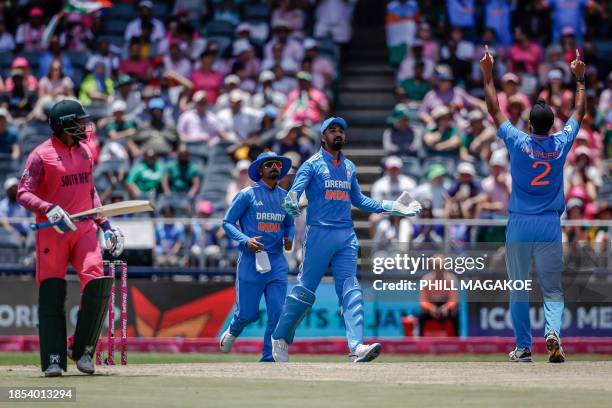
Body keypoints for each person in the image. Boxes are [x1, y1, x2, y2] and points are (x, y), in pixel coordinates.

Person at [272, 117, 422, 363]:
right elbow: (294, 194)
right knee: (304, 292)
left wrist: (393, 207)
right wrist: (290, 202)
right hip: (319, 233)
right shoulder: (311, 165)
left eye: (341, 130)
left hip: (346, 235)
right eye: (332, 130)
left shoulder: (349, 167)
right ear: (322, 137)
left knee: (351, 289)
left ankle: (356, 347)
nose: (337, 134)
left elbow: (360, 200)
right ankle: (280, 338)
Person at [480, 45, 586, 363]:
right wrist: (580, 81)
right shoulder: (561, 142)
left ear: (529, 126)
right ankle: (552, 332)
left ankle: (524, 348)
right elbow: (579, 113)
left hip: (520, 223)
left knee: (519, 288)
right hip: (550, 224)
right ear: (552, 126)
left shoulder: (517, 141)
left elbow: (494, 109)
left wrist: (488, 73)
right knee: (552, 288)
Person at [16, 99, 124, 376]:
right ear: (63, 125)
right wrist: (48, 208)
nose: (83, 127)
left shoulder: (86, 151)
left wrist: (106, 225)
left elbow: (90, 191)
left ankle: (82, 349)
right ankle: (53, 358)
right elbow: (23, 193)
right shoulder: (41, 155)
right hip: (53, 233)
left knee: (98, 283)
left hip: (85, 229)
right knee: (52, 292)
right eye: (78, 123)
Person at [220, 152, 295, 362]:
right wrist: (245, 241)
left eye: (277, 164)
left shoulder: (285, 197)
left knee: (278, 312)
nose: (274, 167)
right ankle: (234, 330)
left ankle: (268, 356)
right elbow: (227, 223)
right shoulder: (246, 194)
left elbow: (289, 224)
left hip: (277, 261)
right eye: (268, 164)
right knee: (248, 313)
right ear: (260, 170)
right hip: (251, 261)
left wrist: (289, 238)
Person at [418, 254, 459, 336]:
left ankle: (456, 342)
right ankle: (421, 342)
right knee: (421, 317)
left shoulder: (451, 279)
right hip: (431, 307)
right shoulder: (426, 279)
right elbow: (423, 301)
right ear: (433, 266)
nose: (439, 269)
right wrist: (431, 308)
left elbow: (454, 300)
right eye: (437, 266)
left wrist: (446, 307)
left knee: (455, 317)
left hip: (446, 308)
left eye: (441, 266)